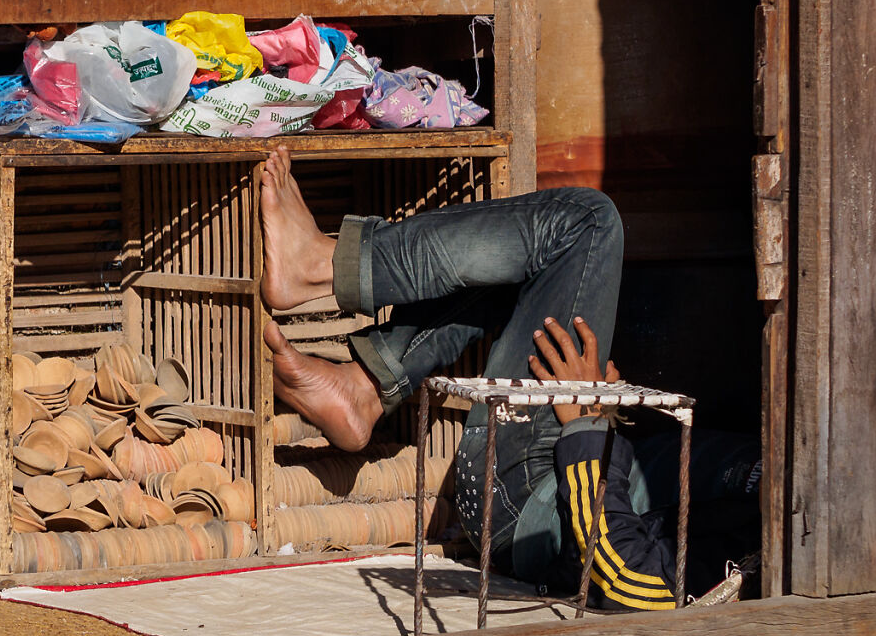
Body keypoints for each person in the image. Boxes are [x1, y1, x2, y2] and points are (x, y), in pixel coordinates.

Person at [259, 147, 760, 609]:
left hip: (526, 504)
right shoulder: (800, 489)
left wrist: (587, 428)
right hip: (562, 484)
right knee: (540, 263)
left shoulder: (788, 537)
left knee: (585, 225)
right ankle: (366, 386)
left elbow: (629, 579)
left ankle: (324, 267)